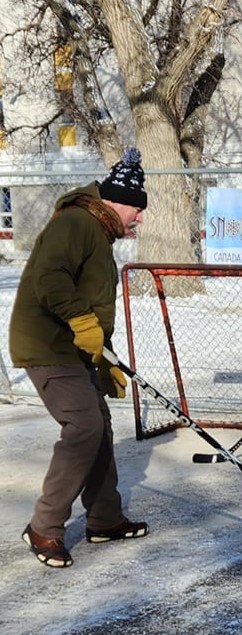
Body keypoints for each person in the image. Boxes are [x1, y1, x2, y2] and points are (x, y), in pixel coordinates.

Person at [9, 147, 150, 568]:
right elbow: (49, 278)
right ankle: (44, 526)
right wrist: (82, 323)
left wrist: (103, 359)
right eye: (137, 209)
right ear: (116, 202)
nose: (140, 218)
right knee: (84, 425)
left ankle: (104, 518)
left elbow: (89, 306)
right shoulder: (75, 223)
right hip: (47, 346)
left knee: (99, 424)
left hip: (71, 349)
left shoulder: (97, 232)